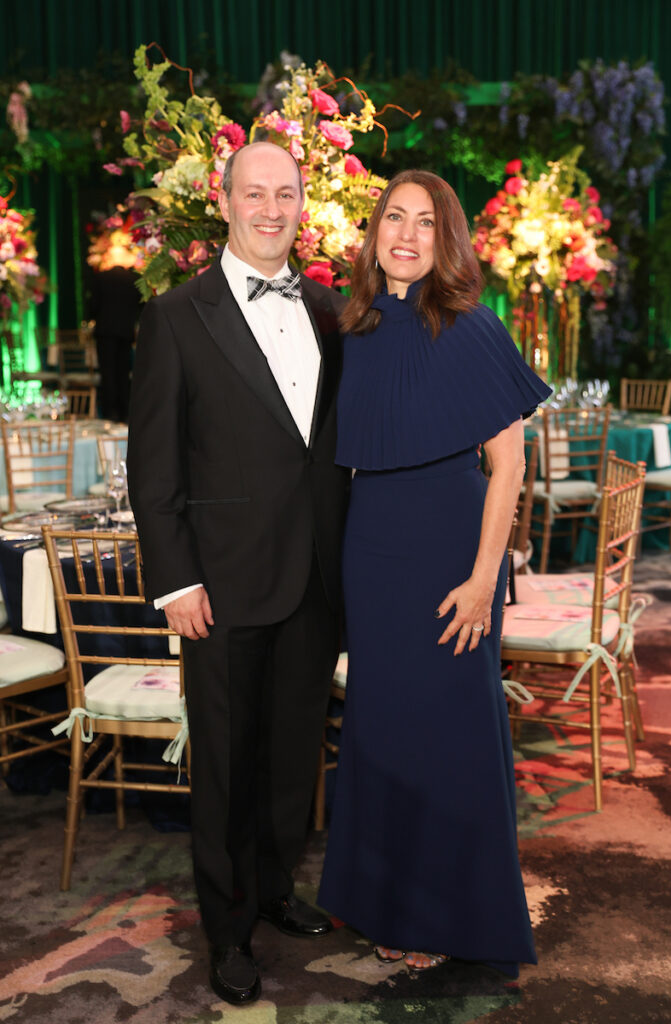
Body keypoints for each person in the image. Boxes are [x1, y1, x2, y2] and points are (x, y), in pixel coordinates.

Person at [127, 141, 349, 1007]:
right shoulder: (176, 315)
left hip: (315, 579)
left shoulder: (331, 310)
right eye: (253, 194)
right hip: (217, 586)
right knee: (223, 762)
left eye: (285, 193)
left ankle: (270, 888)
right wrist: (175, 580)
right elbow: (154, 466)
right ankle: (226, 931)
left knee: (294, 754)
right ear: (222, 203)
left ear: (302, 204)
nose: (270, 209)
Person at [318, 169, 552, 977]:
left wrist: (486, 576)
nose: (407, 234)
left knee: (447, 734)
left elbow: (508, 463)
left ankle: (453, 911)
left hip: (452, 552)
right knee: (381, 730)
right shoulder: (350, 327)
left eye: (425, 222)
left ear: (445, 238)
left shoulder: (470, 326)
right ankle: (382, 899)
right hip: (371, 547)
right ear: (373, 230)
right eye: (394, 217)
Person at [87, 247, 142, 422]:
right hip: (125, 332)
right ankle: (125, 412)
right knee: (124, 373)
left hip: (105, 332)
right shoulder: (134, 280)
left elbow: (93, 306)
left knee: (107, 373)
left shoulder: (101, 278)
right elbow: (140, 306)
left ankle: (110, 412)